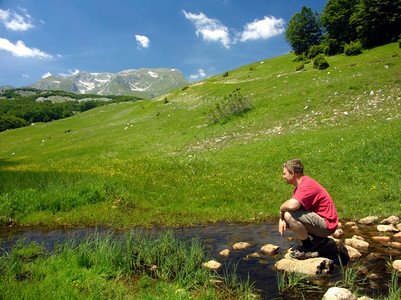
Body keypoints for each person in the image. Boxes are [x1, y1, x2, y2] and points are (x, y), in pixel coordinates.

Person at [279, 159, 338, 258]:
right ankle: (319, 240)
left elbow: (292, 206)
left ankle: (308, 246)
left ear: (292, 173)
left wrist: (281, 210)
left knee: (289, 216)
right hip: (322, 222)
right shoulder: (302, 185)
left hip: (327, 225)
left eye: (285, 174)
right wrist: (281, 219)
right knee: (288, 217)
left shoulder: (306, 185)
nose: (283, 176)